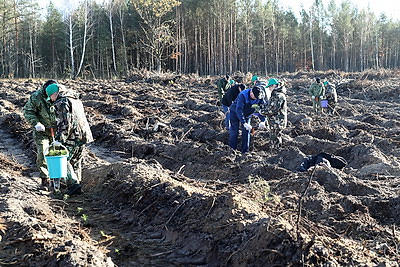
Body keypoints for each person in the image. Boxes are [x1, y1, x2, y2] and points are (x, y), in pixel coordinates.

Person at [23, 80, 93, 193]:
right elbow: (27, 111)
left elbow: (65, 123)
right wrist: (36, 123)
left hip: (68, 134)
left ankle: (73, 185)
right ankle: (47, 180)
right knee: (46, 153)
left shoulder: (62, 102)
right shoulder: (72, 98)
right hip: (80, 134)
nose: (51, 100)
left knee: (62, 158)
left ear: (54, 93)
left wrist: (60, 140)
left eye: (51, 97)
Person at [229, 85, 267, 153]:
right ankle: (232, 150)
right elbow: (239, 110)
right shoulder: (243, 95)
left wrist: (263, 121)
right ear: (251, 92)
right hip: (235, 112)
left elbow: (263, 109)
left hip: (247, 114)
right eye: (254, 97)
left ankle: (244, 151)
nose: (256, 99)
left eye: (257, 98)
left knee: (246, 132)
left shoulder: (260, 96)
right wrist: (244, 123)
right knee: (234, 131)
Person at [262, 78, 287, 149]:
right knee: (274, 137)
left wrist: (262, 111)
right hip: (275, 121)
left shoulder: (278, 96)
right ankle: (274, 152)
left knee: (276, 138)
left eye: (270, 86)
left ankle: (276, 153)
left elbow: (273, 109)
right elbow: (271, 105)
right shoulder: (276, 94)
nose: (269, 88)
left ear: (274, 85)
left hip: (277, 121)